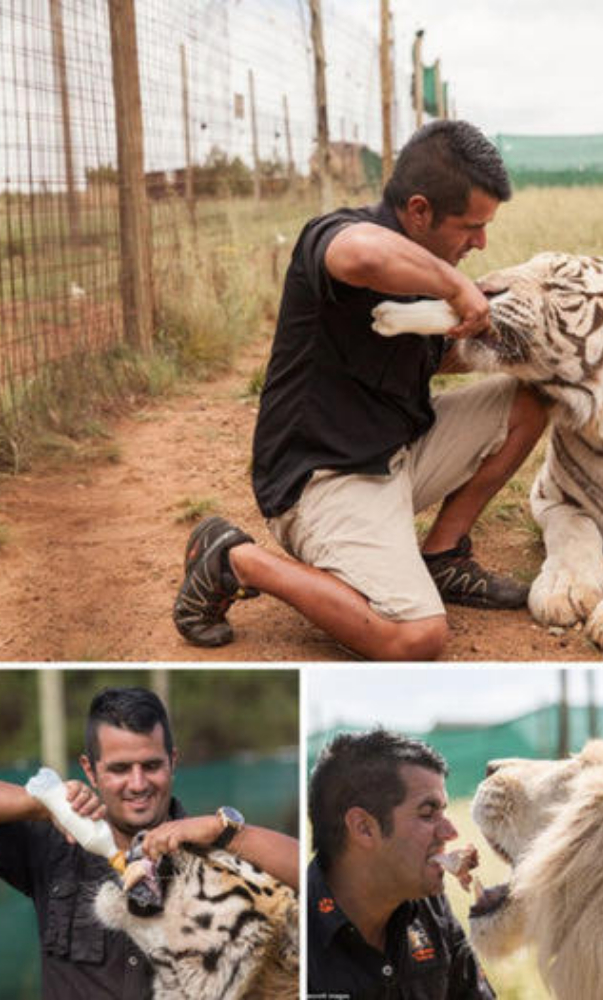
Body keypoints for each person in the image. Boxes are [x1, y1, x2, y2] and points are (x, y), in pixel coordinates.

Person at [172, 119, 548, 661]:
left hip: (397, 452)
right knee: (416, 637)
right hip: (325, 479)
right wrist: (457, 286)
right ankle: (234, 559)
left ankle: (443, 556)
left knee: (531, 398)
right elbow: (365, 257)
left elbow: (417, 360)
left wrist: (507, 342)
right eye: (471, 226)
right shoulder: (336, 236)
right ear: (419, 211)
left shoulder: (425, 268)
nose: (481, 242)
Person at [0, 686, 299, 999]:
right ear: (90, 769)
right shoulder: (57, 844)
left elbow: (317, 881)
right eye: (120, 769)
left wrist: (224, 830)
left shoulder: (215, 855)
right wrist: (43, 804)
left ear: (173, 761)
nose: (138, 783)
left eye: (152, 765)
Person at [308, 728, 494, 998]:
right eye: (428, 813)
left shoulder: (431, 908)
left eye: (443, 811)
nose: (450, 832)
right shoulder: (296, 936)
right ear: (364, 828)